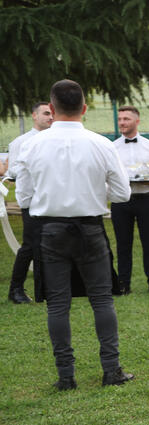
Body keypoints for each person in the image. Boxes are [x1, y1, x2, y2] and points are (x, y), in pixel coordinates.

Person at [13, 80, 134, 390]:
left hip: (50, 230)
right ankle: (111, 369)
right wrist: (93, 189)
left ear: (51, 110)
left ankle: (66, 376)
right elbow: (122, 194)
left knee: (57, 304)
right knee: (101, 300)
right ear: (84, 108)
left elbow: (24, 199)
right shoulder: (102, 144)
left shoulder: (31, 146)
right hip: (90, 228)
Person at [111, 106, 149, 295]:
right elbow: (109, 175)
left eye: (126, 119)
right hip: (121, 201)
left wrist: (147, 184)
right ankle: (123, 282)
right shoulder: (113, 148)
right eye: (120, 119)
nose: (122, 123)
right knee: (123, 243)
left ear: (137, 121)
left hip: (146, 199)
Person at [5, 102, 53, 303]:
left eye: (52, 113)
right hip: (32, 201)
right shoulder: (21, 142)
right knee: (30, 245)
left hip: (52, 200)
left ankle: (45, 290)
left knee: (47, 245)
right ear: (34, 115)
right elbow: (14, 171)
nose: (50, 117)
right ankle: (16, 289)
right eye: (46, 113)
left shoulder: (54, 139)